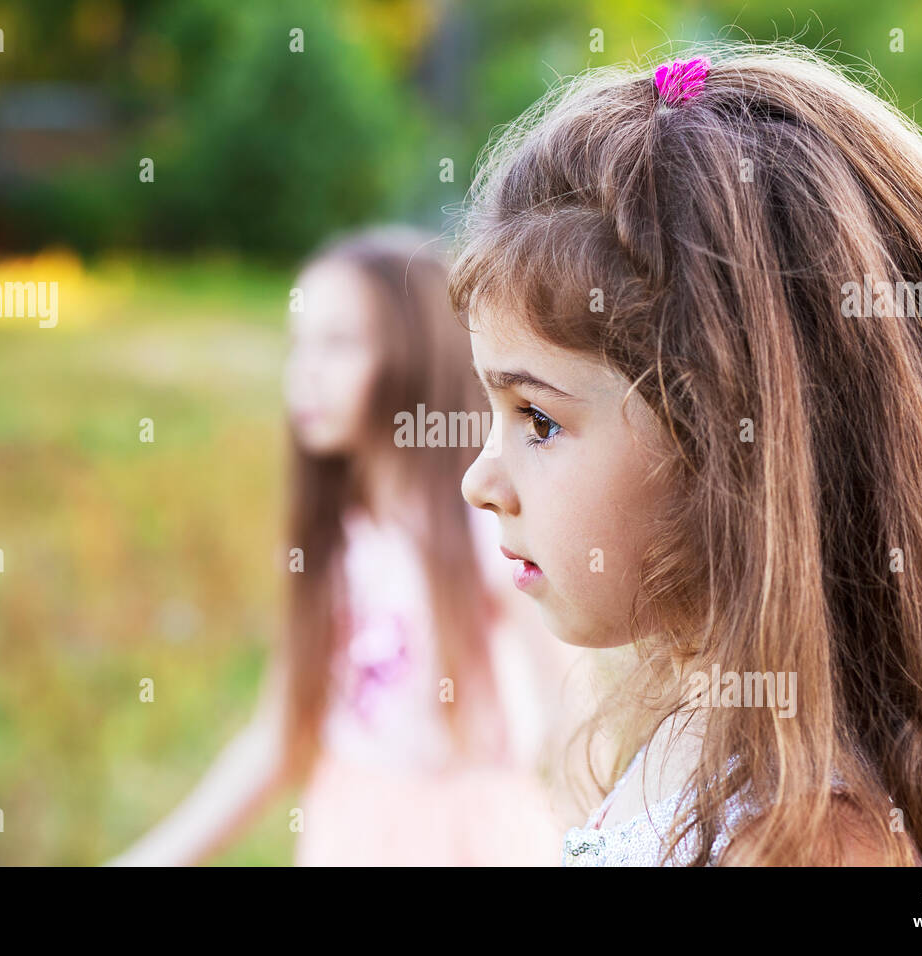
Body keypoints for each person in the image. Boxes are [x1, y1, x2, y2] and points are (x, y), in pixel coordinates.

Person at [451, 44, 922, 866]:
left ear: (735, 447)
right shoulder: (700, 731)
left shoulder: (814, 837)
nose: (480, 480)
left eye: (537, 419)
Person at [111, 225, 586, 866]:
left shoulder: (487, 530)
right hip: (348, 833)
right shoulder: (339, 539)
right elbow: (280, 737)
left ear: (414, 354)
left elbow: (573, 731)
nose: (303, 374)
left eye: (337, 345)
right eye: (297, 345)